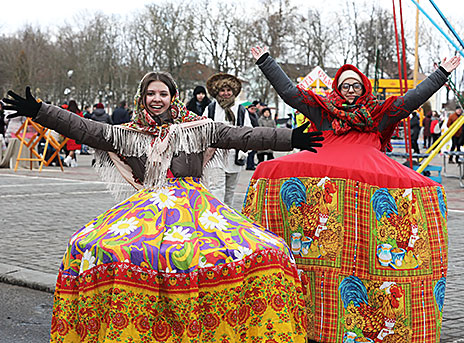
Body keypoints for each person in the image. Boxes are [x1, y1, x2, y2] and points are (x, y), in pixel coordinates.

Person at [3, 71, 324, 343]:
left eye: (163, 93)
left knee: (256, 252)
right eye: (150, 93)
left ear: (173, 96)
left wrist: (291, 138)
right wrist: (41, 111)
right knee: (91, 247)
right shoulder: (128, 134)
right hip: (146, 208)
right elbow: (85, 129)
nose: (156, 99)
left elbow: (243, 136)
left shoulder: (199, 128)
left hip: (194, 208)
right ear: (142, 97)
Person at [243, 46, 460, 343]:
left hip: (366, 183)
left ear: (364, 87)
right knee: (270, 171)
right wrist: (266, 62)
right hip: (327, 183)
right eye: (344, 85)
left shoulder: (379, 114)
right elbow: (291, 94)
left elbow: (412, 100)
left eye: (355, 85)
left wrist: (442, 73)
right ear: (337, 87)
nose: (349, 90)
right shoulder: (321, 110)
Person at [203, 73, 252, 207]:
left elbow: (248, 131)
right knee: (216, 189)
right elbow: (203, 129)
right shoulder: (211, 108)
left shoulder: (241, 110)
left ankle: (227, 219)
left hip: (234, 155)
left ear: (233, 92)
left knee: (230, 191)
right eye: (222, 90)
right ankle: (216, 217)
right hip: (215, 155)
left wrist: (245, 149)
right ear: (217, 92)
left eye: (228, 90)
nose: (226, 93)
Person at [63, 100, 82, 167]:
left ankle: (73, 162)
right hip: (76, 132)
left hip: (68, 132)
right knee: (73, 148)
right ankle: (67, 160)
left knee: (71, 148)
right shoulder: (79, 113)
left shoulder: (67, 112)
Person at [246, 103, 259, 170]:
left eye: (255, 109)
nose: (254, 110)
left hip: (255, 134)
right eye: (252, 109)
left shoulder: (254, 115)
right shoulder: (248, 116)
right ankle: (249, 165)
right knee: (250, 152)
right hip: (250, 134)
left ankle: (251, 164)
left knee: (253, 151)